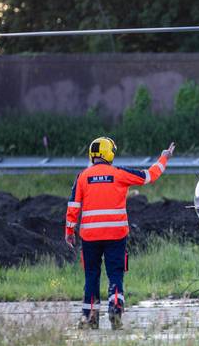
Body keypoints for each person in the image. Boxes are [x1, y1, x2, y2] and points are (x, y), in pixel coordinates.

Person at [65, 136, 175, 330]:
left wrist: (69, 231)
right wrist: (164, 157)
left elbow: (73, 206)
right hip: (116, 235)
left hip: (90, 236)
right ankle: (115, 308)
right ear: (110, 153)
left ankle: (90, 316)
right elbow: (150, 175)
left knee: (91, 274)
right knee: (115, 273)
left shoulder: (82, 176)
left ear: (92, 154)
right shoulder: (119, 173)